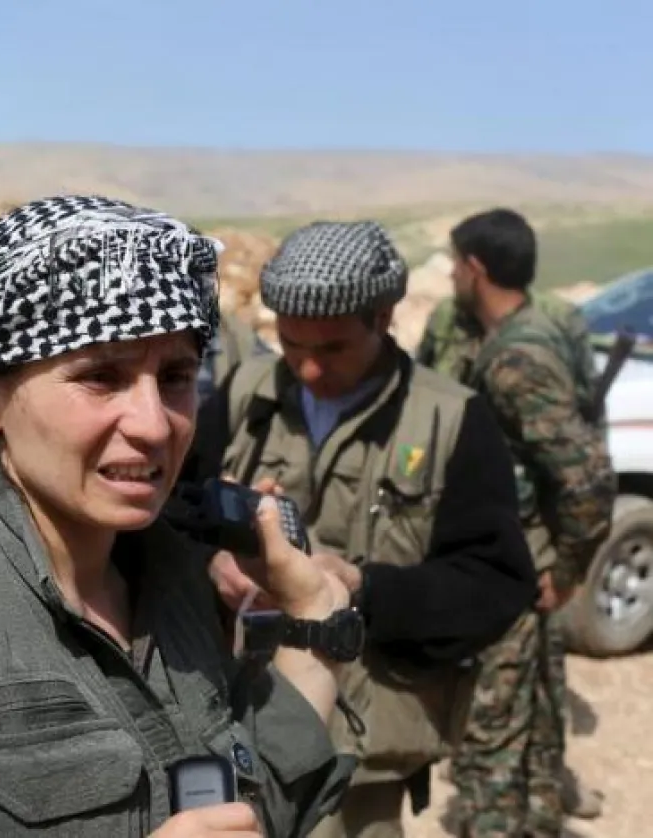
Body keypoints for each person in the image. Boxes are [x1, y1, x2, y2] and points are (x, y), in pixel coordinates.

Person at [0, 195, 361, 837]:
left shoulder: (176, 584)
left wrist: (313, 628)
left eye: (176, 376)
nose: (154, 424)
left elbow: (247, 807)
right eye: (102, 378)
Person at [193, 219, 539, 837]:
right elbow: (176, 516)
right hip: (237, 726)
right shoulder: (245, 394)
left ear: (383, 319)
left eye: (330, 350)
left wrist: (363, 589)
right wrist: (212, 562)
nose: (307, 370)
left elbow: (495, 582)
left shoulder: (452, 420)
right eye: (292, 346)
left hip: (363, 753)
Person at [417, 207, 616, 837]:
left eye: (454, 263)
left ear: (476, 269)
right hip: (518, 557)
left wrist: (567, 571)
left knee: (492, 739)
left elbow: (586, 477)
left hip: (517, 567)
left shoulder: (517, 360)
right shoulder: (515, 337)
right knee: (528, 722)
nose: (450, 275)